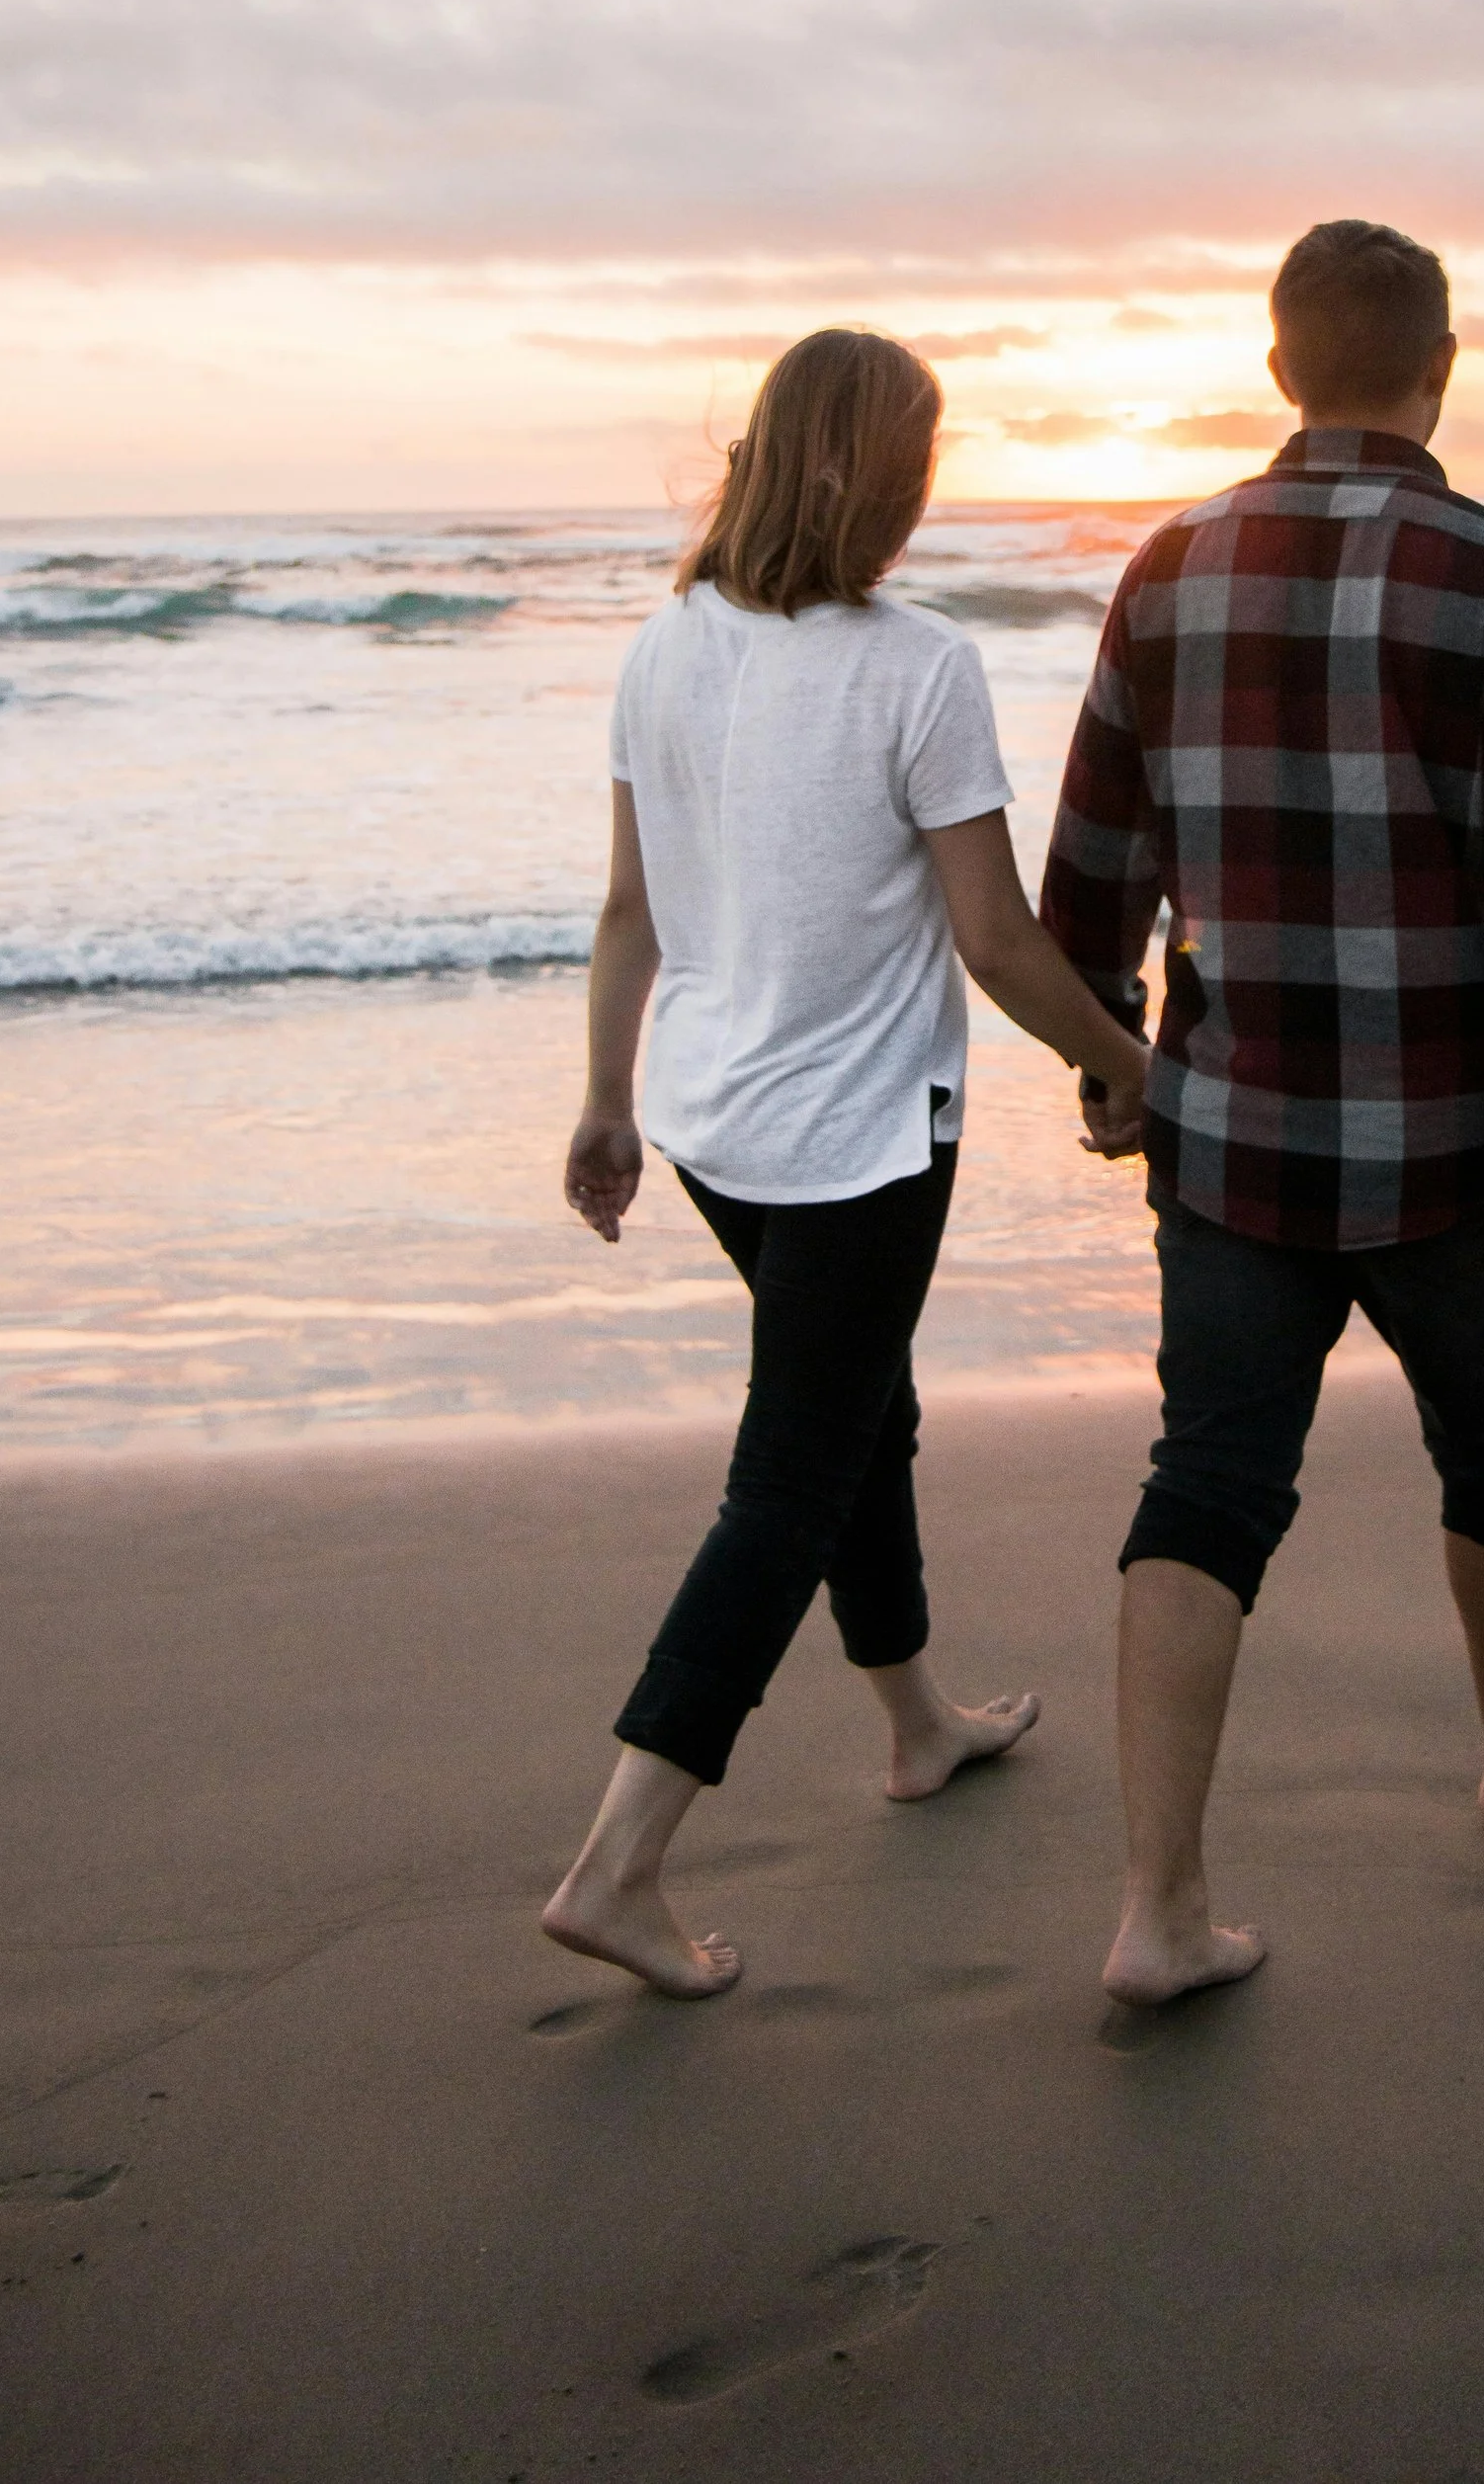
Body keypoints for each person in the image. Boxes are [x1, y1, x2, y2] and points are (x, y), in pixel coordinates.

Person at [1039, 219, 1484, 2007]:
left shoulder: (1163, 566)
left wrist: (1108, 1062)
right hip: (1452, 1141)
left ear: (1276, 369)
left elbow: (1090, 862)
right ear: (1443, 367)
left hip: (1233, 1138)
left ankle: (1159, 1909)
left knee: (1209, 1484)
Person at [541, 328, 1149, 2000]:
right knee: (791, 1480)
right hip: (861, 1146)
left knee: (860, 1412)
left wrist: (607, 1099)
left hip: (716, 1129)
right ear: (879, 477)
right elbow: (1000, 942)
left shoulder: (662, 648)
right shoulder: (919, 666)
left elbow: (627, 913)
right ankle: (618, 1864)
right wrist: (1136, 1069)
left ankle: (913, 1722)